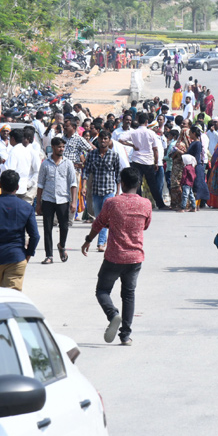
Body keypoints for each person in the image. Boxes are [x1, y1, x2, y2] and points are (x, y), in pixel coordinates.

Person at [81, 168, 151, 346]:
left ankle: (113, 314)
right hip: (135, 257)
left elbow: (98, 223)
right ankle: (125, 335)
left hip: (114, 256)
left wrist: (88, 240)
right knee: (128, 294)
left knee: (102, 290)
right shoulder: (146, 204)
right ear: (137, 184)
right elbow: (145, 226)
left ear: (123, 183)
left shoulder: (112, 203)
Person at [0, 170, 39, 291]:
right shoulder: (26, 207)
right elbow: (35, 235)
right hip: (16, 258)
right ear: (17, 187)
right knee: (12, 299)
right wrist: (28, 254)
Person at [37, 136, 77, 264]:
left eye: (63, 147)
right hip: (48, 199)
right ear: (53, 147)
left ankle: (62, 245)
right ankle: (49, 255)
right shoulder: (45, 164)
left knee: (64, 226)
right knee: (47, 228)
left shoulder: (68, 163)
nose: (61, 149)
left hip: (63, 199)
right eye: (59, 147)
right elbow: (40, 184)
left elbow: (73, 183)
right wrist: (38, 203)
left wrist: (74, 201)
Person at [83, 130, 123, 252]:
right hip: (95, 190)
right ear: (98, 140)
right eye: (101, 139)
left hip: (109, 190)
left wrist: (117, 192)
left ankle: (101, 242)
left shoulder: (114, 155)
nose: (103, 141)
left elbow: (118, 174)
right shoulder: (92, 154)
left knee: (106, 217)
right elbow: (86, 170)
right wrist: (84, 186)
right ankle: (102, 240)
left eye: (106, 139)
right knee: (98, 217)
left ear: (109, 140)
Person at [119, 113, 166, 209]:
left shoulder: (133, 132)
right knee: (152, 184)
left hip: (136, 160)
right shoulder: (151, 133)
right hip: (148, 161)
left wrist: (132, 145)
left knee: (137, 184)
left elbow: (121, 139)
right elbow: (155, 149)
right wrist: (156, 162)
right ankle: (160, 204)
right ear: (146, 122)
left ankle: (137, 204)